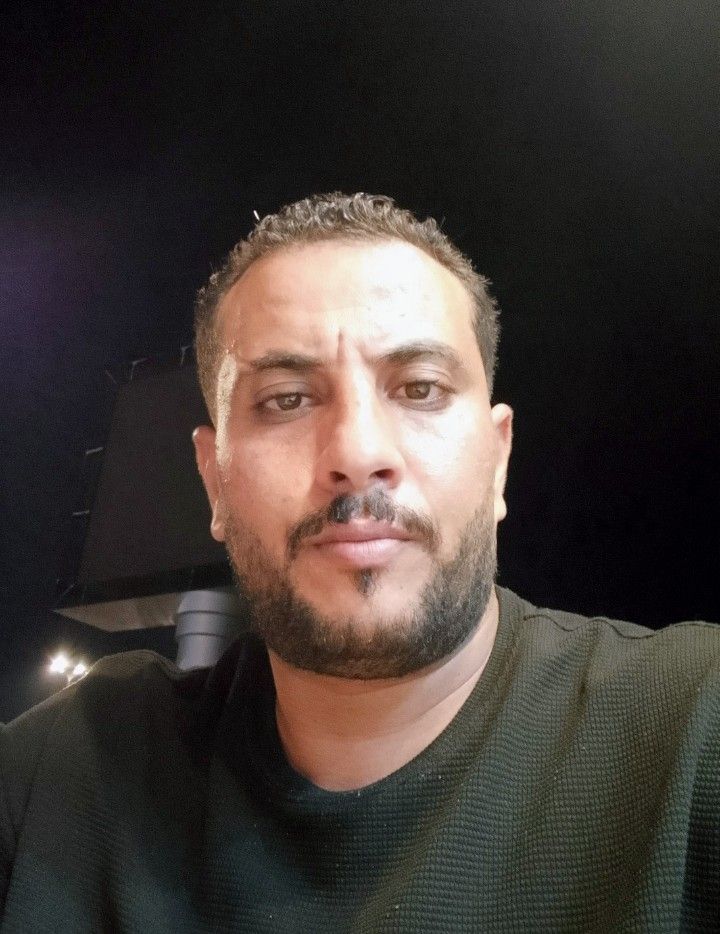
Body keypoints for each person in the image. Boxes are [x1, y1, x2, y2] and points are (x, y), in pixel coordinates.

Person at [0, 192, 718, 933]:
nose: (357, 452)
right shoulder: (69, 773)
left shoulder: (694, 732)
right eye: (286, 400)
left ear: (498, 461)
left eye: (420, 389)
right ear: (215, 481)